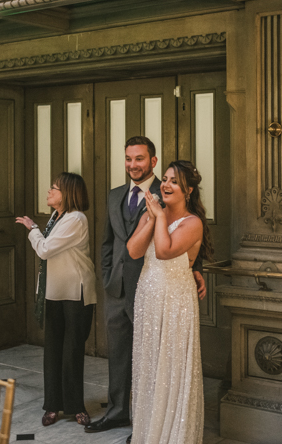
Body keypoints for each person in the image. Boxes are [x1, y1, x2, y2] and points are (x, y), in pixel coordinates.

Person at [86, 137, 206, 437]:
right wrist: (107, 276)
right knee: (131, 357)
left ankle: (159, 424)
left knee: (163, 363)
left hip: (167, 290)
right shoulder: (115, 196)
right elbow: (114, 245)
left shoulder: (163, 198)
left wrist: (195, 268)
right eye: (128, 158)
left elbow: (182, 247)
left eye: (139, 158)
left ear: (152, 160)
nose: (132, 164)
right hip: (126, 289)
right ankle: (121, 414)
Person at [127, 160, 213, 444]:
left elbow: (164, 251)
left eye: (174, 181)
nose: (165, 185)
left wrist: (160, 219)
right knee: (150, 366)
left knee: (171, 367)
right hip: (148, 298)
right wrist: (152, 218)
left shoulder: (193, 223)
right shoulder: (152, 214)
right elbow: (134, 250)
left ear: (188, 190)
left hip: (176, 300)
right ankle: (148, 432)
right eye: (164, 179)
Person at [15, 172, 96, 428]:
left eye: (54, 188)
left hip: (76, 293)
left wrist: (32, 229)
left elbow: (45, 249)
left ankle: (75, 407)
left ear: (68, 193)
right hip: (53, 291)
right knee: (52, 350)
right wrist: (39, 230)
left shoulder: (77, 219)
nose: (49, 192)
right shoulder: (56, 216)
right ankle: (52, 406)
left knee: (72, 352)